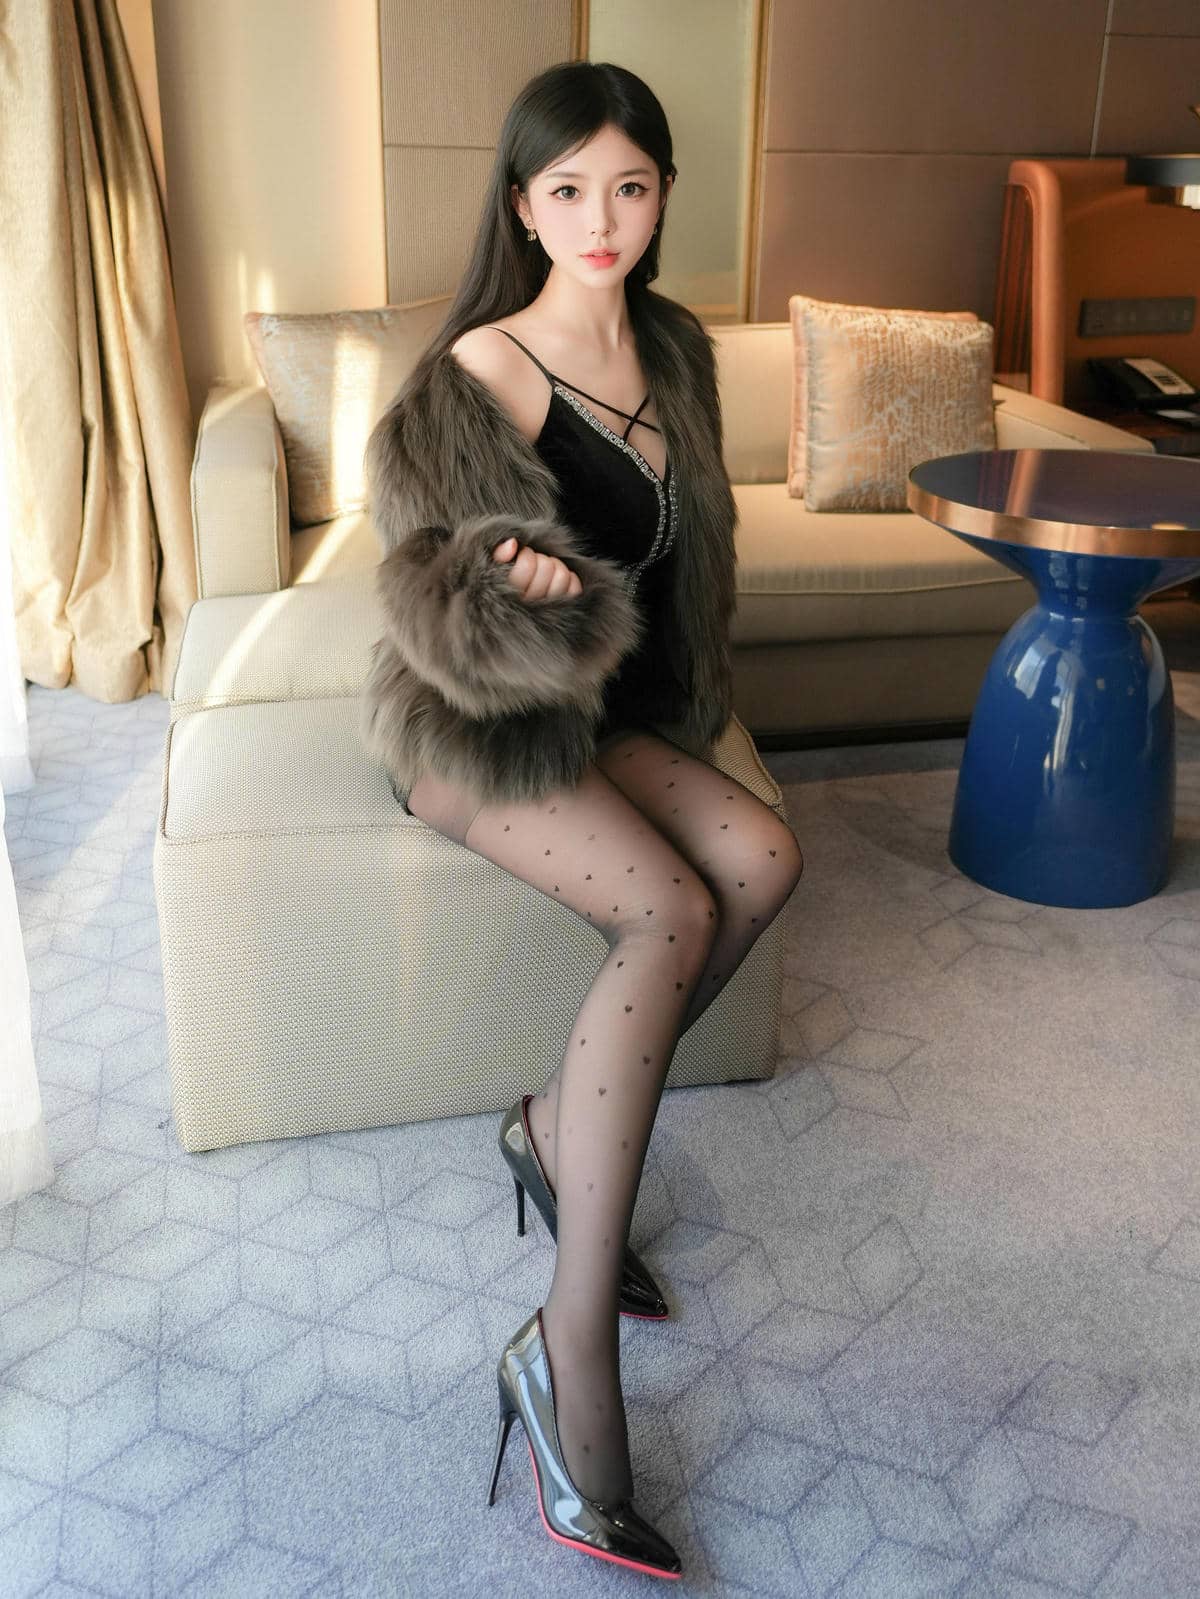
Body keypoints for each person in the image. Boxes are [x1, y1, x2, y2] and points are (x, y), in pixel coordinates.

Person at [360, 60, 804, 1580]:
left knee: (762, 858)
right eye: (568, 190)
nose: (600, 218)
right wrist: (510, 581)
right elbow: (425, 586)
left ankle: (554, 1134)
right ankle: (565, 1351)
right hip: (482, 722)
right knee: (669, 909)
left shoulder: (673, 349)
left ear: (663, 194)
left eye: (629, 185)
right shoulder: (480, 373)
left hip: (611, 713)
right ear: (523, 206)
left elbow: (681, 561)